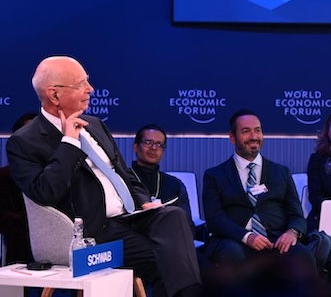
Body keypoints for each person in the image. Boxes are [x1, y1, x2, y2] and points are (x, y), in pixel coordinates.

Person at [6, 56, 202, 297]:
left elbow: (123, 173)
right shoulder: (25, 141)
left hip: (131, 217)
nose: (91, 89)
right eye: (81, 84)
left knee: (174, 216)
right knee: (167, 261)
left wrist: (142, 200)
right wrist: (69, 143)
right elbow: (44, 192)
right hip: (92, 229)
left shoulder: (94, 124)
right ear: (54, 95)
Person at [202, 109, 320, 296]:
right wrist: (246, 237)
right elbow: (215, 218)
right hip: (234, 239)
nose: (254, 136)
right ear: (232, 137)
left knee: (303, 255)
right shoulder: (214, 175)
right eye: (246, 131)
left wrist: (292, 232)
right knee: (231, 254)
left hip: (275, 239)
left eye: (257, 130)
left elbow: (296, 214)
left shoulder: (281, 172)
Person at [130, 123, 195, 235]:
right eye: (148, 142)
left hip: (170, 240)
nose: (154, 148)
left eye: (159, 144)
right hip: (133, 240)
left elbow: (187, 224)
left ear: (163, 152)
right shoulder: (122, 179)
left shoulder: (175, 184)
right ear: (135, 147)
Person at [0, 112, 37, 265]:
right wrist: (38, 221)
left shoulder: (61, 174)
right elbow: (3, 219)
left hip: (63, 256)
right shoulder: (4, 176)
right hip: (20, 258)